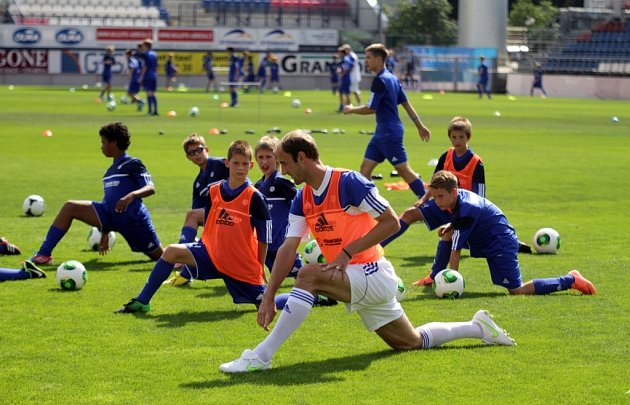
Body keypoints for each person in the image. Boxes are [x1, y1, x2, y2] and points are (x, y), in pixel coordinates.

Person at [219, 130, 515, 373]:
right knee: (410, 341)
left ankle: (261, 356)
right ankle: (478, 328)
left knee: (308, 275)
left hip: (373, 273)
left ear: (302, 158)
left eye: (285, 163)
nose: (282, 170)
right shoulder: (303, 196)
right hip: (353, 277)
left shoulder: (349, 183)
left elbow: (391, 222)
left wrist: (347, 252)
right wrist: (268, 295)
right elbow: (287, 247)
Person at [116, 140, 271, 313]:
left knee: (267, 304)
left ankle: (302, 298)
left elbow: (264, 238)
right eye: (236, 163)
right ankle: (142, 302)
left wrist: (260, 266)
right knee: (170, 252)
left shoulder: (255, 197)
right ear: (227, 163)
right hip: (212, 255)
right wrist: (200, 245)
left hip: (240, 263)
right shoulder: (214, 191)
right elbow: (211, 225)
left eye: (244, 164)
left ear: (251, 165)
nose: (240, 168)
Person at [415, 170, 597, 295]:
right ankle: (433, 277)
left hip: (500, 243)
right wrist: (451, 226)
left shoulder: (467, 208)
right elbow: (462, 221)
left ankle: (570, 280)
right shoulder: (459, 197)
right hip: (487, 238)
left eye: (440, 196)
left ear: (453, 192)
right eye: (434, 196)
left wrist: (452, 283)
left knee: (517, 291)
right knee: (448, 233)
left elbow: (456, 250)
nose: (437, 201)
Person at [30, 122, 163, 265]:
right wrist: (105, 231)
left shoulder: (133, 163)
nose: (101, 146)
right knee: (70, 207)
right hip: (108, 216)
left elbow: (150, 187)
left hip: (133, 221)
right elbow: (110, 199)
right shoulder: (109, 171)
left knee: (161, 257)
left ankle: (185, 252)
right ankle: (43, 254)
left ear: (114, 143)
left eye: (104, 142)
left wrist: (132, 195)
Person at [343, 43, 431, 200]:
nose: (366, 61)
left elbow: (371, 108)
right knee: (365, 170)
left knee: (404, 170)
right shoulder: (392, 78)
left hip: (389, 133)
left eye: (369, 58)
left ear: (378, 59)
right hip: (382, 134)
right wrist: (420, 125)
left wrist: (351, 110)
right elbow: (406, 104)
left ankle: (427, 203)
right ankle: (372, 205)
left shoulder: (381, 81)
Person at [163, 133, 230, 285]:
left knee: (191, 216)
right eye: (192, 153)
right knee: (203, 242)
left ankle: (180, 256)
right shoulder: (198, 183)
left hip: (232, 213)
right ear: (188, 158)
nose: (197, 155)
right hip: (217, 221)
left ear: (206, 149)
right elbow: (199, 213)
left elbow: (244, 178)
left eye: (199, 150)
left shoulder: (221, 164)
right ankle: (185, 274)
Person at [139, 39, 159, 116]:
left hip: (148, 75)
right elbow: (156, 66)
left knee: (148, 93)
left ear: (146, 46)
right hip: (153, 75)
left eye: (143, 45)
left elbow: (145, 66)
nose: (142, 47)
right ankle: (155, 110)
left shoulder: (146, 54)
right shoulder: (154, 54)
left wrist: (141, 76)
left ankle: (150, 111)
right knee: (153, 93)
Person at [337, 46, 352, 112]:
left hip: (346, 78)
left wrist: (341, 74)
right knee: (341, 92)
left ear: (342, 53)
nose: (338, 54)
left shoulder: (346, 59)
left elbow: (346, 69)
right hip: (344, 78)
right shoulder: (343, 59)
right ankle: (342, 106)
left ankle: (349, 107)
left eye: (339, 53)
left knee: (347, 93)